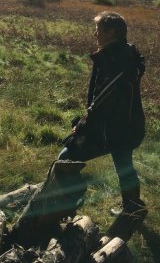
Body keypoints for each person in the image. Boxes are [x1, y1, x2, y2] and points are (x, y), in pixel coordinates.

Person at [59, 11, 146, 219]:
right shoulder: (125, 54)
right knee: (124, 166)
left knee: (65, 158)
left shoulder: (115, 60)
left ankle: (65, 205)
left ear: (112, 32)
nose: (94, 34)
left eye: (98, 30)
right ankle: (134, 209)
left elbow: (101, 103)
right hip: (127, 126)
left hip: (113, 129)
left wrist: (81, 127)